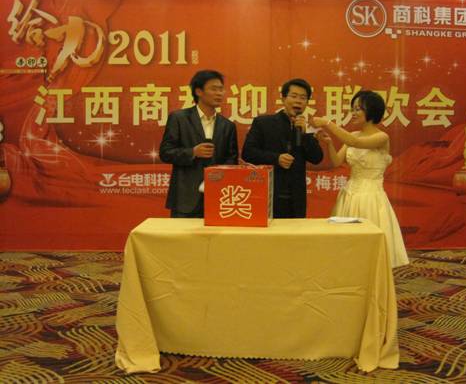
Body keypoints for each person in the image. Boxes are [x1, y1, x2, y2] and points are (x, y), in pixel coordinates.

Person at [309, 90, 409, 268]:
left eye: (358, 109)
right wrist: (329, 143)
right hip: (349, 195)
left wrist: (327, 123)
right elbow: (337, 161)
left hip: (371, 198)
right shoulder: (353, 135)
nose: (353, 113)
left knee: (370, 250)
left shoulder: (381, 137)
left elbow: (356, 144)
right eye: (352, 109)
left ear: (371, 111)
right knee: (346, 249)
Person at [159, 69, 238, 218]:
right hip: (185, 197)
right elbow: (165, 152)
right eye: (214, 89)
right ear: (199, 91)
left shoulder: (227, 125)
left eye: (221, 89)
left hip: (218, 196)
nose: (219, 93)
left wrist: (218, 175)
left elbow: (232, 159)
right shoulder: (179, 118)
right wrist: (192, 152)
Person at [242, 78, 323, 218]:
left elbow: (317, 158)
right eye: (294, 96)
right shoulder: (264, 123)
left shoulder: (307, 128)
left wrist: (304, 135)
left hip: (296, 198)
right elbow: (248, 153)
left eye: (303, 98)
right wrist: (276, 158)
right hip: (269, 193)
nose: (298, 101)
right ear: (283, 98)